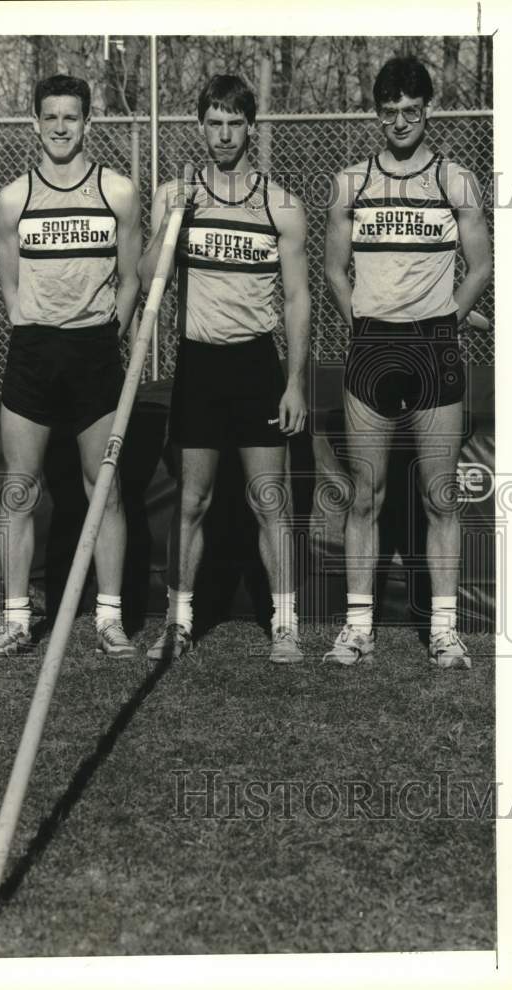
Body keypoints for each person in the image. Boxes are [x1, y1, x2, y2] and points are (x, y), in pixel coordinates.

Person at [323, 56, 492, 669]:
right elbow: (333, 270)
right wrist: (364, 323)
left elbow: (480, 266)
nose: (400, 122)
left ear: (428, 111)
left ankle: (444, 631)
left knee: (440, 496)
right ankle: (357, 628)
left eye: (411, 111)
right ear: (377, 113)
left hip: (434, 349)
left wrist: (445, 320)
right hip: (372, 348)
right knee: (365, 495)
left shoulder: (456, 181)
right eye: (390, 111)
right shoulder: (351, 183)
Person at [138, 74, 311, 665]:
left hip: (255, 363)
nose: (224, 135)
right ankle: (178, 621)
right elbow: (146, 279)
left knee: (269, 499)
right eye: (214, 123)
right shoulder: (175, 195)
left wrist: (294, 381)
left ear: (251, 127)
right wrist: (172, 220)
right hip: (199, 364)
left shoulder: (281, 204)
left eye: (235, 123)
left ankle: (284, 624)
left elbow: (298, 298)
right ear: (200, 126)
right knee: (192, 501)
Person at [0, 74, 141, 660]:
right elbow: (10, 284)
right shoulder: (14, 199)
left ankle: (110, 618)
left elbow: (131, 280)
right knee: (20, 487)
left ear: (88, 122)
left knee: (106, 487)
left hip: (95, 351)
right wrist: (35, 328)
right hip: (34, 354)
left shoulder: (117, 192)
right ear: (35, 122)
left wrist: (106, 337)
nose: (60, 127)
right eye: (50, 116)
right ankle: (17, 619)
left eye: (71, 117)